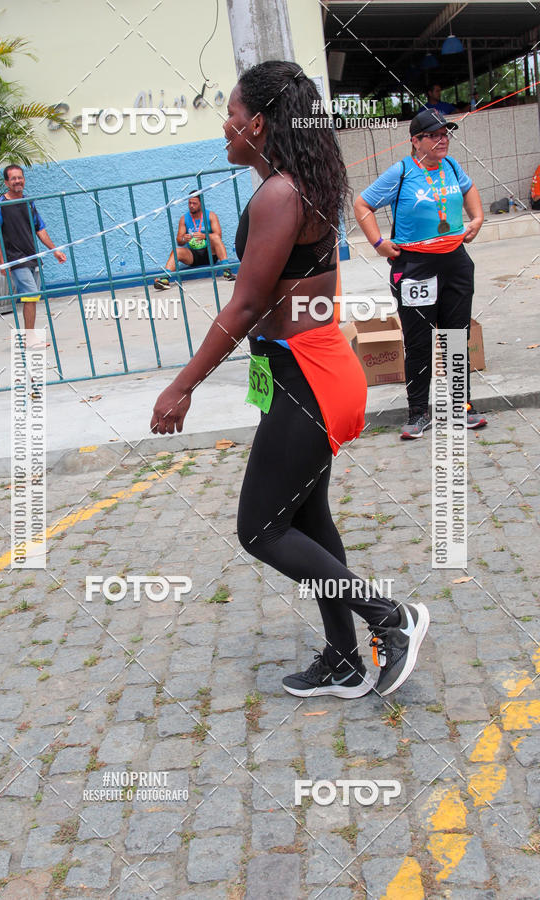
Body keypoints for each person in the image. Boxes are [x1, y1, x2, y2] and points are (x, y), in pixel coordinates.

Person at [151, 60, 429, 699]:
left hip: (306, 375)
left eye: (231, 111)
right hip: (308, 367)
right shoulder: (301, 183)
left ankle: (391, 617)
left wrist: (182, 386)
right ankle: (341, 659)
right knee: (306, 520)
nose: (224, 124)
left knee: (260, 528)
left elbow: (247, 306)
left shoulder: (278, 194)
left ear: (260, 122)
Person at [354, 108, 487, 439]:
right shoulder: (401, 172)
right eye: (435, 135)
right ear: (415, 140)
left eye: (446, 134)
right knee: (419, 340)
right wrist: (379, 242)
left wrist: (477, 218)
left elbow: (469, 190)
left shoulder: (452, 166)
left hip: (455, 263)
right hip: (415, 267)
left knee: (457, 336)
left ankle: (461, 407)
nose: (443, 140)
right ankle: (417, 413)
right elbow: (362, 205)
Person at [0, 165, 66, 344]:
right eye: (13, 178)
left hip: (32, 257)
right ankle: (29, 339)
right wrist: (2, 262)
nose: (18, 181)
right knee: (31, 295)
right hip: (16, 259)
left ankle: (29, 336)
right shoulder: (0, 205)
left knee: (31, 298)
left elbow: (40, 229)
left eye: (20, 177)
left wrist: (55, 251)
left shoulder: (28, 202)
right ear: (7, 182)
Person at [153, 192, 236, 290]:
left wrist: (204, 236)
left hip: (210, 253)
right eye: (189, 203)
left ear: (201, 203)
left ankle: (227, 271)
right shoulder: (184, 218)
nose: (191, 206)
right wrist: (184, 238)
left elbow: (218, 235)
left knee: (215, 238)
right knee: (177, 251)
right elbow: (179, 240)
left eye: (194, 203)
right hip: (193, 255)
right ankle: (165, 279)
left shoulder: (210, 215)